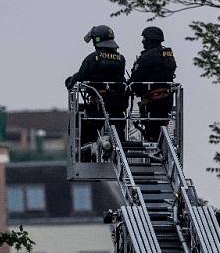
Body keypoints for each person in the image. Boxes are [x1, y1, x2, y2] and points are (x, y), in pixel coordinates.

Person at [65, 25, 127, 158]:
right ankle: (120, 148)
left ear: (96, 40)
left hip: (97, 106)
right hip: (117, 105)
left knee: (81, 120)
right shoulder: (120, 59)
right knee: (118, 129)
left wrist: (69, 82)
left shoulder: (93, 58)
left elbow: (80, 77)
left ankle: (85, 153)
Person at [128, 26, 177, 142]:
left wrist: (130, 86)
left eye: (144, 39)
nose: (143, 42)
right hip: (166, 100)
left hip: (152, 102)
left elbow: (136, 77)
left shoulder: (147, 57)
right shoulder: (167, 54)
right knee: (160, 129)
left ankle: (153, 146)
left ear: (150, 40)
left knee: (152, 132)